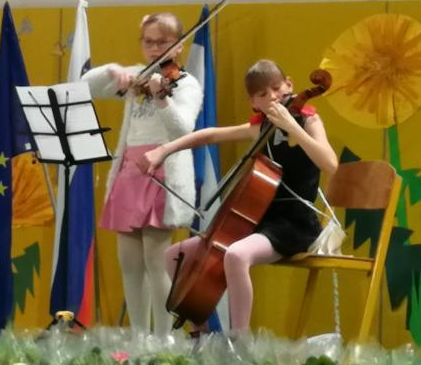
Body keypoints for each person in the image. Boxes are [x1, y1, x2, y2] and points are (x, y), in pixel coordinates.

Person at [138, 59, 338, 333]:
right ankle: (202, 336)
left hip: (295, 225)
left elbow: (331, 164)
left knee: (236, 256)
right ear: (253, 102)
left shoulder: (309, 120)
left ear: (289, 85)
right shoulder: (260, 128)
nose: (272, 97)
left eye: (277, 89)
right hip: (259, 222)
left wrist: (292, 126)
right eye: (263, 94)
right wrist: (163, 151)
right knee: (175, 256)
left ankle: (239, 344)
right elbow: (209, 136)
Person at [81, 12, 202, 336]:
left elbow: (183, 129)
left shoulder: (185, 83)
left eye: (162, 42)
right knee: (130, 262)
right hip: (130, 173)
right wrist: (112, 71)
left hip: (162, 174)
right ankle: (139, 338)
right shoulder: (138, 76)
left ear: (179, 45)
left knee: (156, 260)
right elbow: (86, 85)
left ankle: (164, 339)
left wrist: (162, 98)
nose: (155, 48)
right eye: (148, 42)